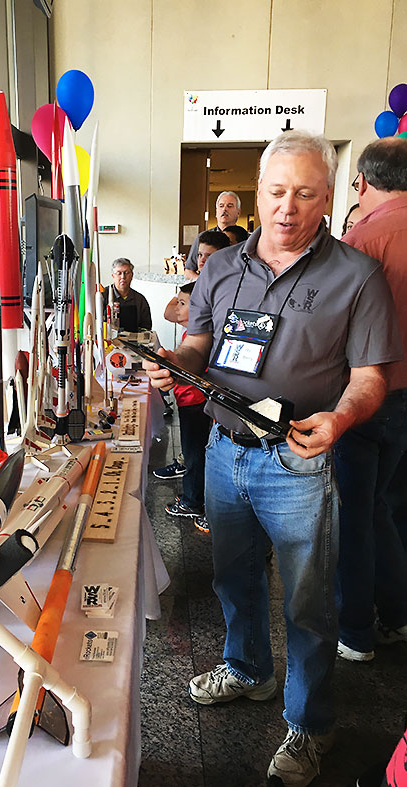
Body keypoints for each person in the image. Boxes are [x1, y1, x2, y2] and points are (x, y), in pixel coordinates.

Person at [143, 130, 401, 786]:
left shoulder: (357, 276)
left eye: (305, 194)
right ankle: (249, 669)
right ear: (257, 193)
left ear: (329, 197)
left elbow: (371, 376)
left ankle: (311, 723)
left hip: (298, 460)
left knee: (308, 603)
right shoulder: (221, 268)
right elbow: (199, 343)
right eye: (277, 191)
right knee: (233, 578)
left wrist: (341, 416)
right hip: (225, 450)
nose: (288, 207)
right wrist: (175, 360)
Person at [334, 137, 407, 663]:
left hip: (368, 399)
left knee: (353, 515)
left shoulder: (362, 240)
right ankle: (397, 613)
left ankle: (355, 631)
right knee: (385, 506)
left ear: (361, 183)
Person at [155, 282, 211, 531]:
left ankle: (192, 501)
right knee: (192, 452)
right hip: (187, 399)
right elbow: (169, 313)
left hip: (196, 402)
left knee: (194, 453)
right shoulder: (191, 334)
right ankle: (194, 495)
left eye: (183, 303)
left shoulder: (204, 339)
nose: (176, 308)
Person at [184, 191, 241, 274]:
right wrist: (203, 281)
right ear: (216, 212)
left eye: (229, 206)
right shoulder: (202, 237)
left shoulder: (245, 239)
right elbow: (188, 271)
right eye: (221, 206)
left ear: (238, 212)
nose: (224, 209)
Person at [103, 257, 152, 331]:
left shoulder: (140, 300)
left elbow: (146, 327)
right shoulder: (103, 296)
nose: (123, 277)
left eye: (126, 273)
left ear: (132, 275)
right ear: (113, 276)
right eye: (119, 273)